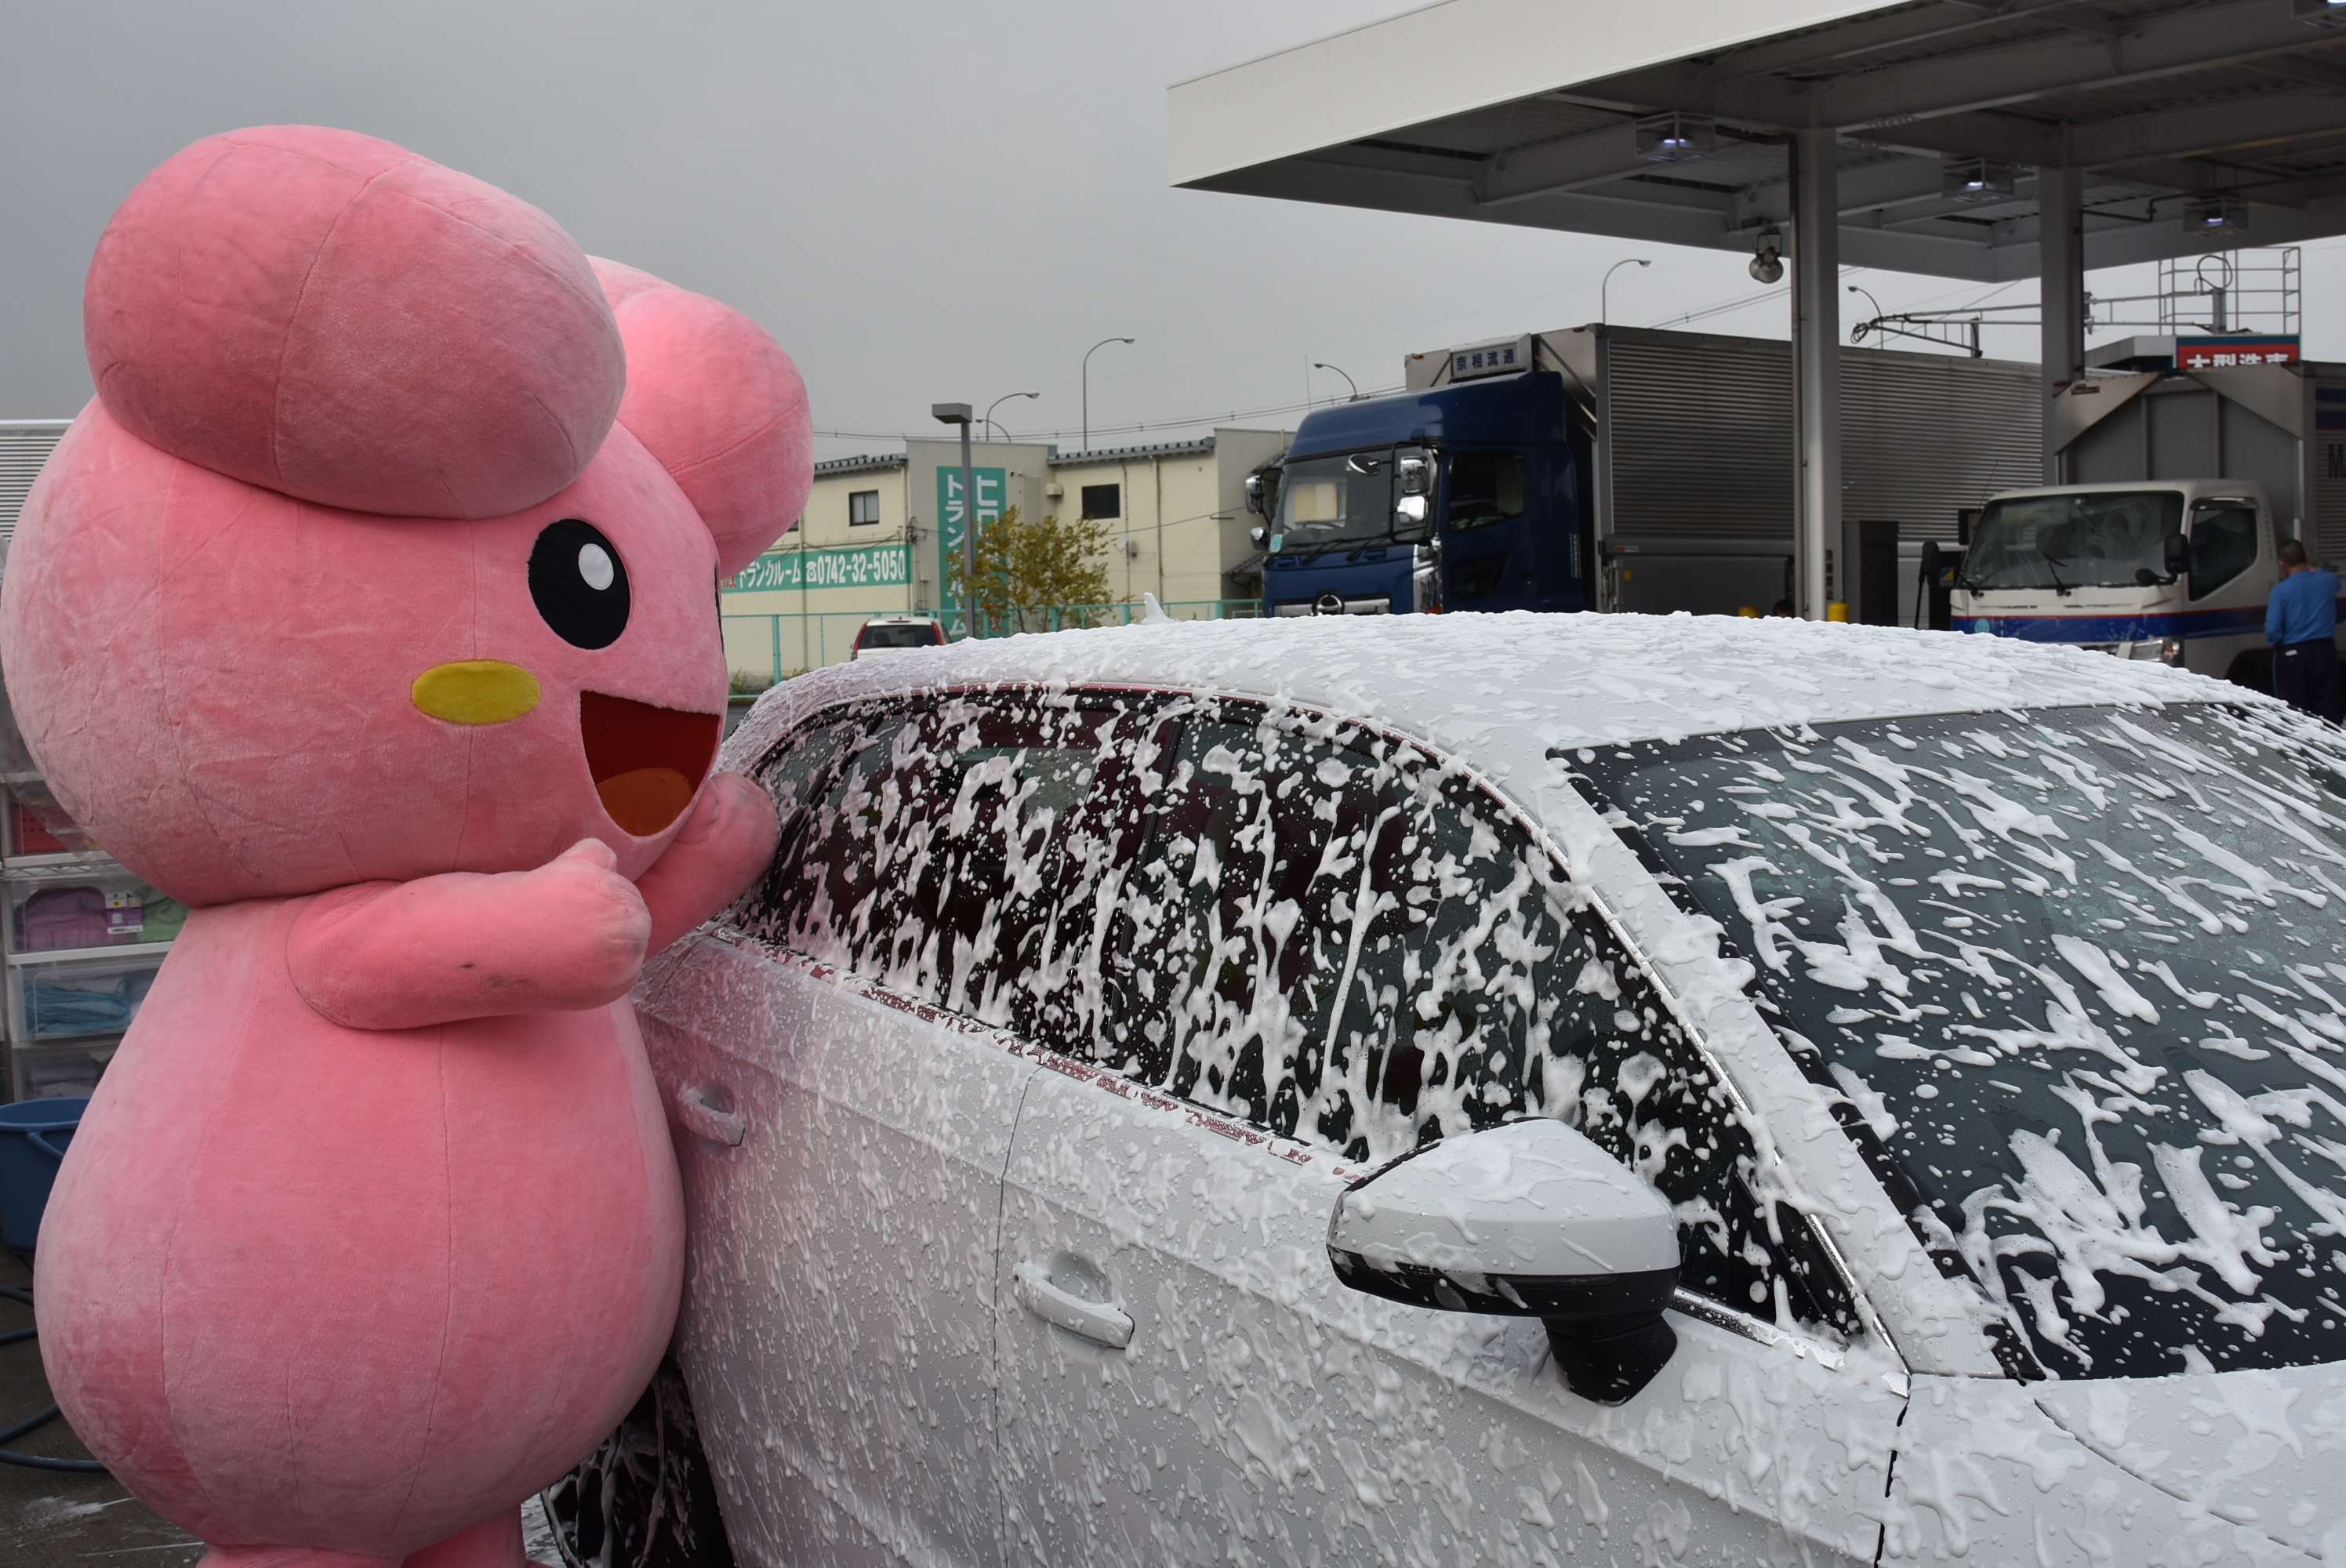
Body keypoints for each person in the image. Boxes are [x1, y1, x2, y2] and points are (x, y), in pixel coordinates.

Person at [2265, 538, 2344, 722]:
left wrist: (2275, 643)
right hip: (2325, 652)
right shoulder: (2327, 581)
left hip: (2295, 655)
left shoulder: (2280, 591)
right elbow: (2334, 581)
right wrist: (2313, 567)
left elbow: (2273, 628)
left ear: (2282, 563)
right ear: (2305, 558)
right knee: (2329, 708)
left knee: (2297, 713)